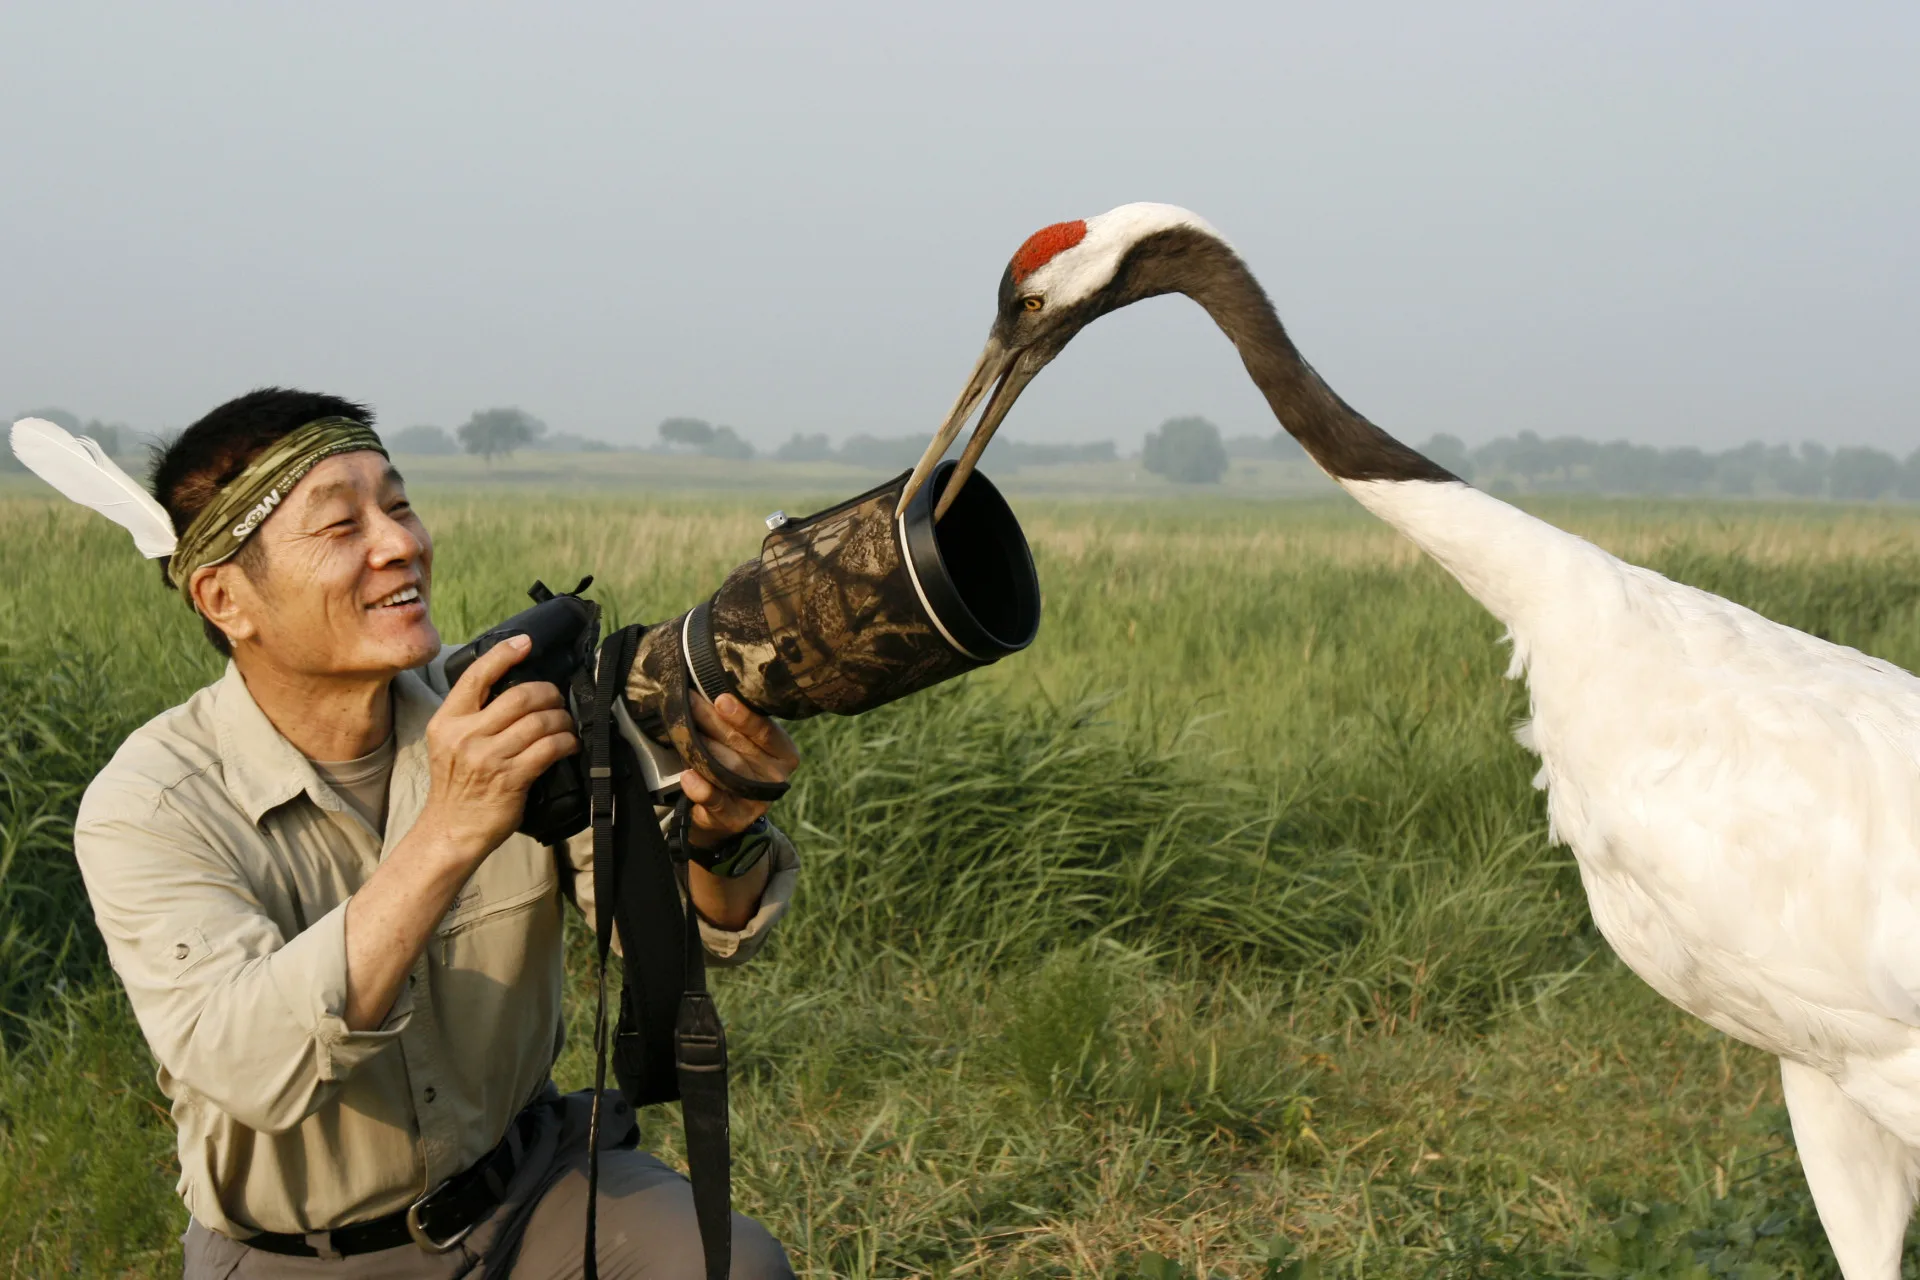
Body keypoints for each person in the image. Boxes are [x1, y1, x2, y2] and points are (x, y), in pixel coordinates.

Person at [72, 388, 800, 1278]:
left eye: (401, 503)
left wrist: (715, 836)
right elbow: (254, 1068)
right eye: (342, 527)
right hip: (302, 1254)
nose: (400, 543)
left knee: (732, 1268)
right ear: (226, 598)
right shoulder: (150, 805)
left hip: (529, 1190)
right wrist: (452, 825)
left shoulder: (501, 719)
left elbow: (676, 938)